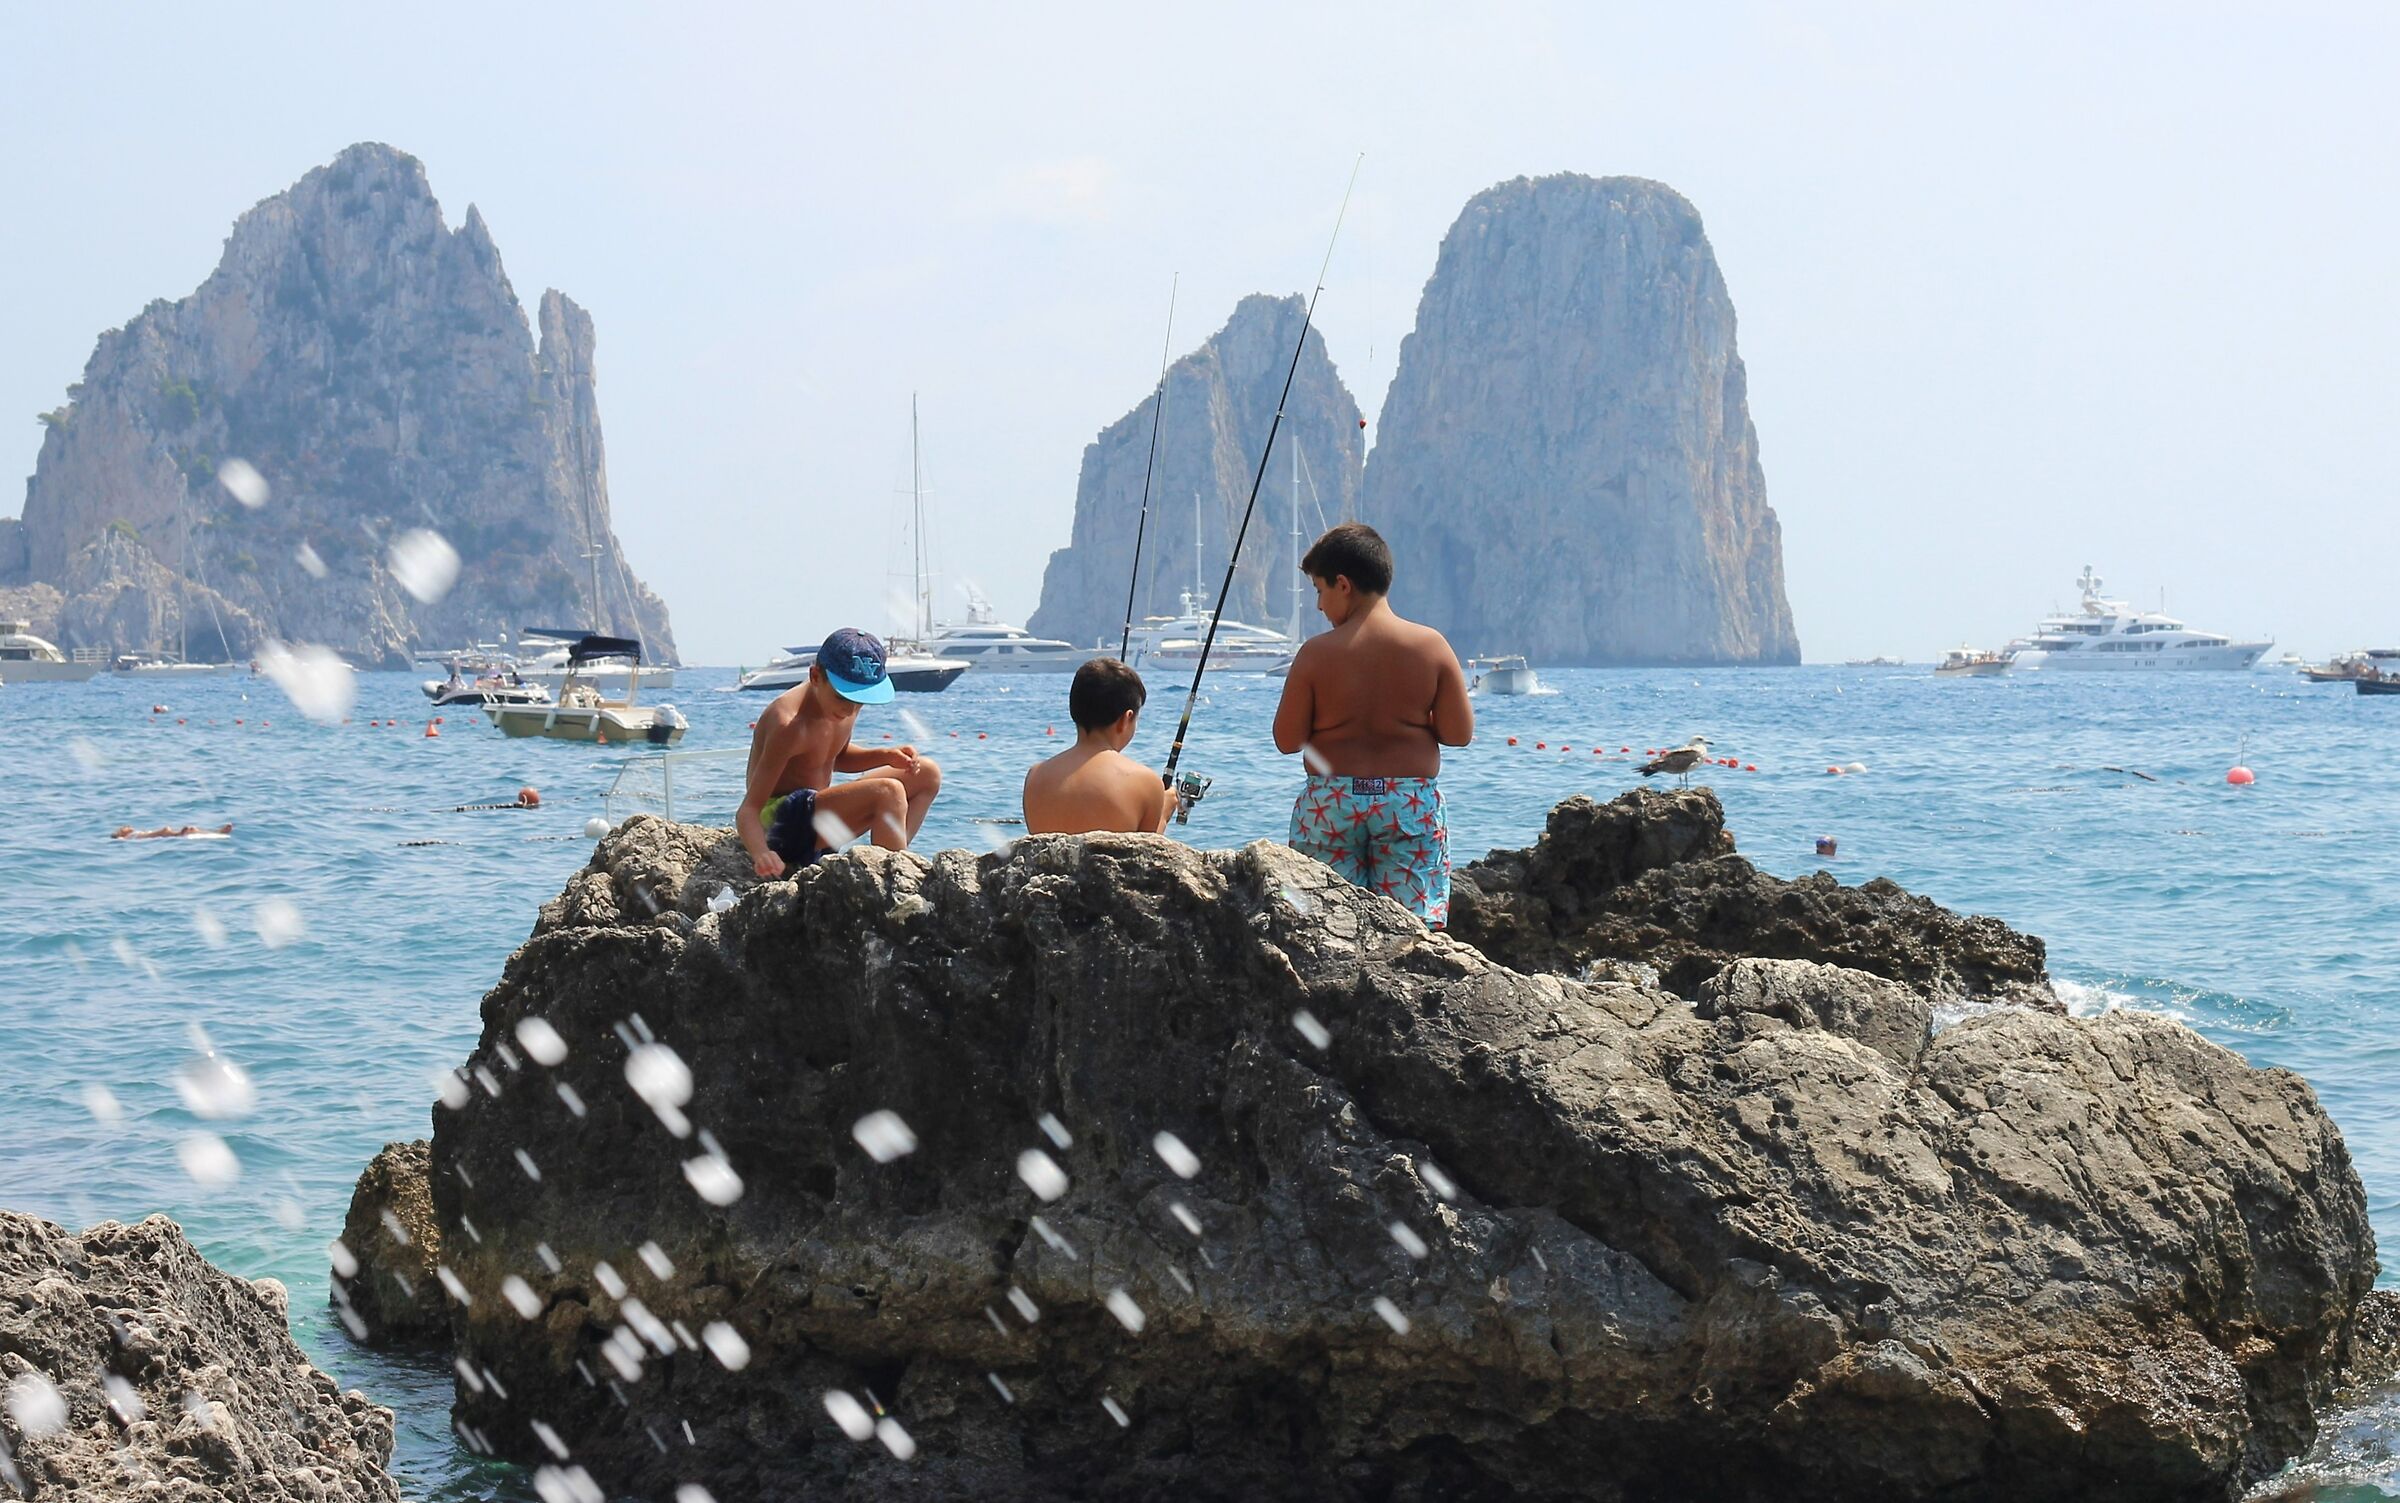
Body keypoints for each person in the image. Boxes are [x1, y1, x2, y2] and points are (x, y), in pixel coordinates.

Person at [1271, 523, 1473, 927]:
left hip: (1331, 805)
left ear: (1342, 585)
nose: (1319, 606)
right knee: (1410, 929)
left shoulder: (1315, 654)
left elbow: (1287, 740)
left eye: (1319, 591)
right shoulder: (1430, 645)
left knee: (1327, 923)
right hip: (1407, 803)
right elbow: (1458, 734)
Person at [737, 628, 942, 878]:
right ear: (815, 676)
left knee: (927, 773)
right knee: (888, 792)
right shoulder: (788, 724)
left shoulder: (845, 703)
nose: (850, 708)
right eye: (843, 696)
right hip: (781, 826)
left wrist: (886, 755)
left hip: (818, 820)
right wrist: (761, 854)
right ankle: (891, 883)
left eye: (859, 699)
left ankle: (892, 860)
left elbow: (834, 756)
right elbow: (748, 809)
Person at [1023, 658, 1176, 836]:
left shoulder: (1035, 776)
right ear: (1126, 719)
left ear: (1074, 711)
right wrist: (1163, 815)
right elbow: (1147, 853)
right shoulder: (1147, 782)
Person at [112, 824, 233, 840]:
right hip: (160, 834)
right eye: (122, 828)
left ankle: (218, 832)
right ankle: (181, 834)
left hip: (161, 834)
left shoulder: (133, 834)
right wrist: (163, 830)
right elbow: (151, 835)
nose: (126, 827)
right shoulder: (129, 837)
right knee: (167, 831)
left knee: (193, 829)